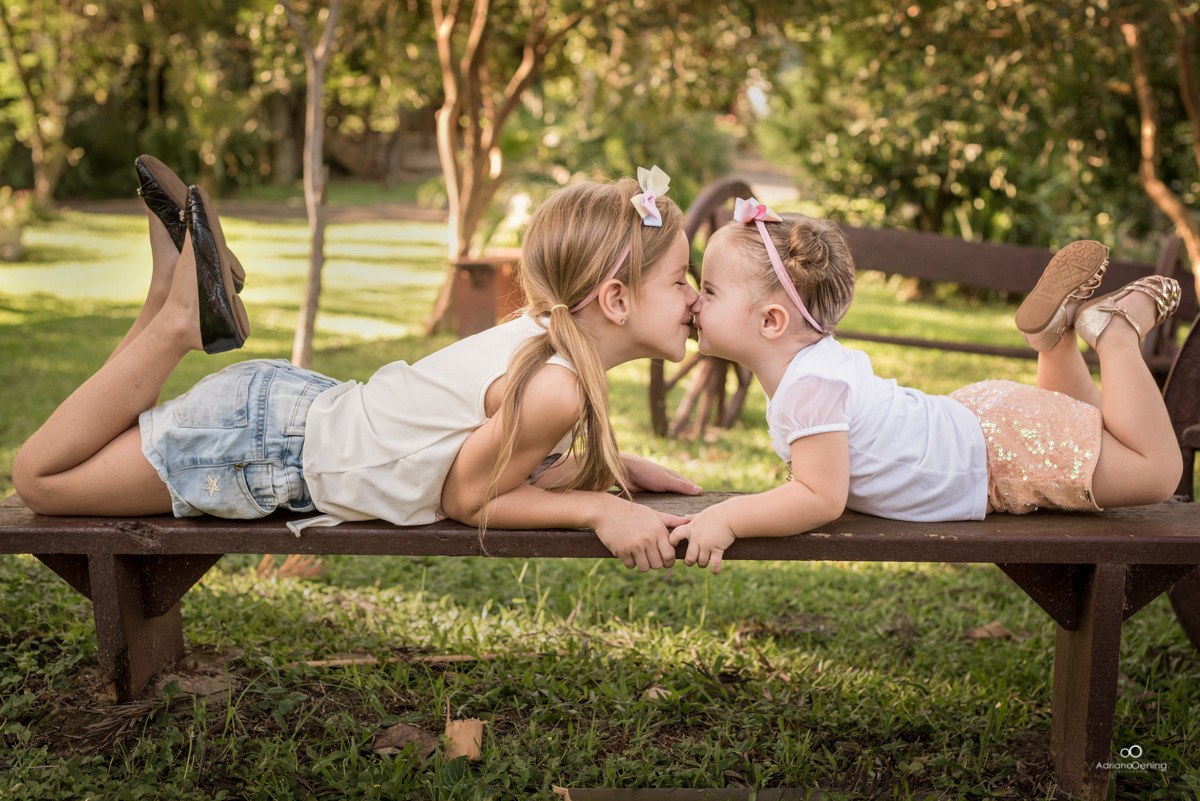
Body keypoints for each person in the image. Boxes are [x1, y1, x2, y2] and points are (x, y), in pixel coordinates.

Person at [12, 161, 702, 572]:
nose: (694, 296)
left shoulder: (541, 339)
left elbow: (470, 456)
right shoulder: (556, 386)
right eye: (681, 280)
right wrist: (597, 509)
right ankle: (174, 318)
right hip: (262, 448)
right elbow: (468, 498)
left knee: (88, 451)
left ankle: (169, 290)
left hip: (278, 422)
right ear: (614, 299)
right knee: (38, 478)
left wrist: (602, 466)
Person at [669, 197, 1184, 574]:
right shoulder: (812, 367)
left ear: (772, 322)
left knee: (1157, 473)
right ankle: (1054, 339)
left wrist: (730, 517)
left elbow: (819, 497)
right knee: (1087, 429)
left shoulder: (809, 386)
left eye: (709, 289)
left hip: (999, 453)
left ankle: (1114, 333)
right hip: (988, 426)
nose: (694, 300)